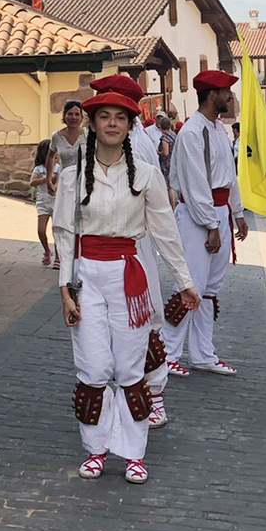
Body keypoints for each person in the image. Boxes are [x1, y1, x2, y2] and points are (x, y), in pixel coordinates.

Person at [54, 84, 198, 484]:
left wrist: (184, 282)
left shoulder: (148, 176)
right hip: (86, 277)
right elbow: (65, 235)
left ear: (130, 125)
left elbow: (166, 233)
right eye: (104, 117)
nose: (112, 123)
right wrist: (65, 289)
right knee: (94, 368)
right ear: (92, 124)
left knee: (131, 368)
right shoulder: (72, 177)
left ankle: (134, 452)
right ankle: (96, 448)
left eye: (120, 117)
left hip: (129, 277)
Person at [164, 68, 248, 375]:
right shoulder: (191, 133)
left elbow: (230, 176)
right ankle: (168, 353)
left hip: (220, 211)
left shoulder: (218, 129)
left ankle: (203, 353)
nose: (230, 97)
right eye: (226, 92)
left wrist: (236, 213)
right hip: (200, 217)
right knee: (190, 285)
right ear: (213, 95)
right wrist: (211, 225)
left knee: (210, 288)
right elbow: (196, 183)